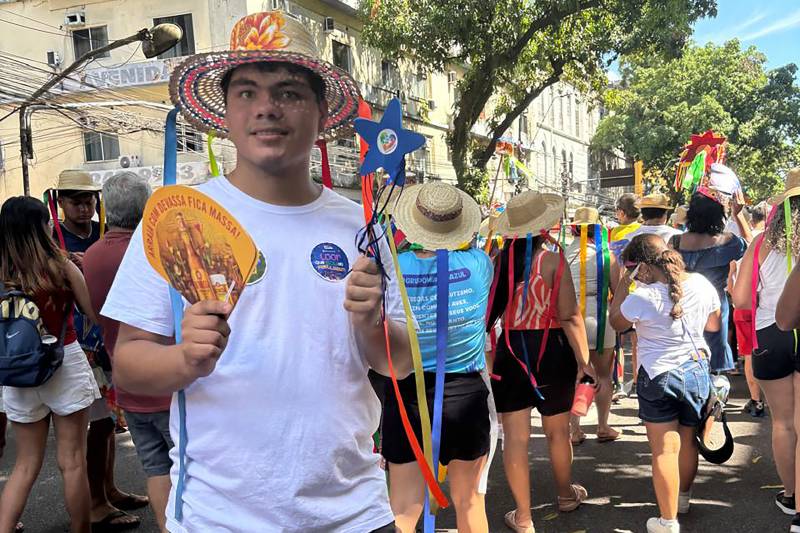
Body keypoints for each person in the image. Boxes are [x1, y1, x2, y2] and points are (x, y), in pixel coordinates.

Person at [101, 12, 410, 532]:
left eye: (288, 92)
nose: (267, 108)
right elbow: (128, 364)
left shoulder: (361, 226)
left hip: (355, 514)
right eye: (246, 92)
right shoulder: (179, 219)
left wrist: (369, 321)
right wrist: (183, 358)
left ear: (320, 111)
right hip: (220, 519)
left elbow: (399, 365)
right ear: (226, 111)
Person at [384, 182, 491, 532]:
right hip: (465, 393)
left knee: (403, 508)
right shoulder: (480, 263)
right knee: (470, 501)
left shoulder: (393, 267)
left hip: (407, 394)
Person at [486, 191, 595, 533]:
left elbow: (490, 314)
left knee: (516, 439)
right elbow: (569, 316)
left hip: (511, 350)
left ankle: (524, 516)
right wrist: (584, 362)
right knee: (557, 432)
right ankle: (565, 494)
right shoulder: (552, 261)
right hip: (551, 350)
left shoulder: (498, 262)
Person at [52, 170, 148, 530]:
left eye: (89, 199)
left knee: (108, 425)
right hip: (82, 344)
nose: (84, 206)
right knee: (95, 425)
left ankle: (108, 489)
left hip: (111, 343)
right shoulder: (53, 239)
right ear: (60, 202)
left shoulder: (99, 234)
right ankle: (94, 502)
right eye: (75, 200)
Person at [0, 196, 102, 533]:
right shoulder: (60, 264)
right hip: (64, 361)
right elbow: (92, 312)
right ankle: (80, 529)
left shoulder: (1, 271)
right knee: (72, 461)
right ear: (42, 225)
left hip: (17, 370)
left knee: (25, 464)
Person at [610, 234, 721, 533]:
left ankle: (668, 520)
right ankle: (682, 499)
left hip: (659, 375)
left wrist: (623, 283)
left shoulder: (641, 296)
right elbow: (714, 325)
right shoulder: (700, 283)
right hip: (696, 371)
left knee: (664, 450)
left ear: (643, 268)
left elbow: (616, 323)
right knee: (687, 441)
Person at [83, 173, 174, 532]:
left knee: (154, 466)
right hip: (167, 382)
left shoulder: (90, 256)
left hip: (125, 381)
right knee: (191, 470)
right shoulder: (154, 252)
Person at [733, 174, 800, 523]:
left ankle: (790, 496)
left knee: (784, 423)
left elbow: (742, 299)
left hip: (769, 333)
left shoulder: (760, 243)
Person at [671, 165, 749, 373]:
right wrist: (738, 216)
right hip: (714, 309)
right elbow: (752, 248)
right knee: (712, 367)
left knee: (683, 362)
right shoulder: (729, 242)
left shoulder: (675, 241)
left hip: (681, 306)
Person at [564, 207, 620, 445]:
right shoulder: (607, 254)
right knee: (605, 375)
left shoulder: (564, 252)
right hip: (601, 316)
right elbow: (617, 291)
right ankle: (603, 425)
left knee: (573, 375)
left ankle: (574, 430)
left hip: (570, 318)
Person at [731, 201, 768, 417]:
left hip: (751, 308)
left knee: (750, 356)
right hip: (775, 311)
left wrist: (738, 216)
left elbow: (749, 238)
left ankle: (757, 401)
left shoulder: (761, 241)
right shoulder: (780, 240)